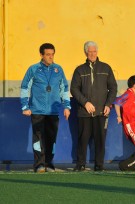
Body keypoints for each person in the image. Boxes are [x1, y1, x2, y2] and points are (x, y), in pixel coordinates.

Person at [20, 43, 71, 173]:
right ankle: (39, 165)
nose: (51, 57)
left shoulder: (58, 70)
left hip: (53, 112)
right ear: (41, 55)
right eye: (48, 54)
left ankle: (49, 164)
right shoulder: (33, 69)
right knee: (38, 139)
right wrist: (25, 106)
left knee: (51, 139)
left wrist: (67, 106)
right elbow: (25, 87)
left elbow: (64, 88)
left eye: (52, 54)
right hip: (37, 110)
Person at [71, 41, 117, 171]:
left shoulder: (106, 68)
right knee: (82, 140)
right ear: (85, 53)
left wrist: (108, 104)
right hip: (84, 112)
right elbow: (74, 89)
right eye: (90, 52)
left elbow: (113, 88)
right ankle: (80, 164)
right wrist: (85, 102)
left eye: (94, 51)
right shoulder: (79, 70)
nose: (92, 54)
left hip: (102, 112)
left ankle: (99, 165)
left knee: (100, 140)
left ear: (97, 52)